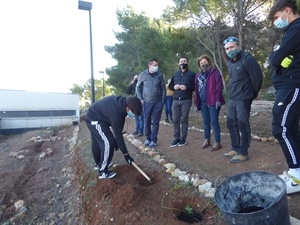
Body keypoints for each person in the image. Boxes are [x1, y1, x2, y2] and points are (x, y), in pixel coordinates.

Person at [268, 0, 300, 194]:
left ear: (287, 10)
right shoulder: (291, 31)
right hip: (287, 85)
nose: (276, 21)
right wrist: (278, 60)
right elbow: (277, 59)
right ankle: (295, 170)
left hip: (292, 85)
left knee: (281, 128)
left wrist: (277, 59)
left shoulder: (296, 28)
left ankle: (296, 176)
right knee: (292, 129)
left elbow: (274, 59)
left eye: (276, 16)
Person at [223, 36, 263, 163]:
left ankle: (243, 152)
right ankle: (235, 148)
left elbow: (257, 78)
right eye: (227, 49)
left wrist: (252, 94)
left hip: (243, 98)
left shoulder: (248, 59)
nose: (230, 50)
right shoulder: (230, 63)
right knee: (231, 123)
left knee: (242, 124)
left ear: (238, 47)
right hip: (233, 98)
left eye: (232, 47)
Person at [85, 95, 142, 179]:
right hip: (94, 119)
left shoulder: (122, 104)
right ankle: (103, 172)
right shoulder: (116, 113)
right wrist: (126, 155)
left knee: (99, 141)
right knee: (108, 142)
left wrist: (117, 141)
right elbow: (118, 135)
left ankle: (99, 163)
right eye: (133, 112)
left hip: (96, 116)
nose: (132, 115)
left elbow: (118, 130)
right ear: (128, 108)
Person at [194, 55, 225, 151]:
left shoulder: (214, 72)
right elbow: (196, 90)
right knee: (206, 122)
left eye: (205, 62)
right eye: (201, 63)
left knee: (214, 121)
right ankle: (207, 139)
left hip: (213, 101)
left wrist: (218, 99)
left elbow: (219, 86)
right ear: (199, 65)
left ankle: (217, 141)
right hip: (203, 102)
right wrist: (196, 103)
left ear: (208, 62)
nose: (203, 64)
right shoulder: (198, 76)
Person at [136, 59, 166, 148]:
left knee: (156, 122)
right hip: (147, 102)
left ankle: (154, 140)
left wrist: (162, 100)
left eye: (157, 65)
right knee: (147, 121)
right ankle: (148, 138)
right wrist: (140, 99)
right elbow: (138, 87)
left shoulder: (159, 75)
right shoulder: (143, 74)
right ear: (150, 65)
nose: (156, 66)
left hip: (158, 102)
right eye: (155, 65)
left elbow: (163, 88)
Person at [169, 57, 195, 147]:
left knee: (184, 119)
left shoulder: (192, 74)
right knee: (175, 119)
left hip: (186, 100)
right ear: (178, 63)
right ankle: (176, 138)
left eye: (184, 61)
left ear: (188, 63)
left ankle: (183, 139)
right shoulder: (175, 74)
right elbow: (170, 86)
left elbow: (195, 87)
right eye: (181, 61)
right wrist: (174, 87)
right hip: (176, 99)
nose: (183, 63)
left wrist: (187, 87)